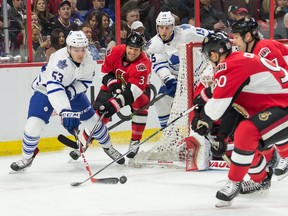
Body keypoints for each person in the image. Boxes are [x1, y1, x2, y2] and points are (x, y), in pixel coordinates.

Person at [191, 32, 288, 207]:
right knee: (244, 138)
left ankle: (234, 182)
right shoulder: (237, 61)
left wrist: (203, 117)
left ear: (214, 55)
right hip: (278, 107)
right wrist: (221, 135)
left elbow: (216, 110)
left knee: (247, 131)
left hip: (283, 108)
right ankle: (260, 180)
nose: (209, 61)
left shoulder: (229, 66)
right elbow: (234, 108)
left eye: (208, 57)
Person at [10, 30, 125, 172]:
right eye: (76, 50)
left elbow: (85, 81)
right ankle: (26, 158)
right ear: (69, 48)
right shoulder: (59, 60)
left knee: (94, 122)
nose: (81, 53)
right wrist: (66, 112)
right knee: (33, 125)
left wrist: (70, 93)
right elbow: (55, 89)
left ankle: (108, 147)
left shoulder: (88, 60)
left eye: (83, 49)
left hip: (71, 92)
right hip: (45, 91)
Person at [231, 17, 288, 182]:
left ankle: (283, 156)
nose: (234, 42)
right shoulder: (252, 51)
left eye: (236, 37)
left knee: (272, 118)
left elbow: (282, 77)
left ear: (248, 36)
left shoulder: (264, 49)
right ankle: (275, 156)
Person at [146, 11, 211, 129]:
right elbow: (161, 66)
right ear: (157, 27)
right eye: (161, 27)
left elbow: (209, 35)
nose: (164, 31)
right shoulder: (154, 45)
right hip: (177, 78)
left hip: (200, 75)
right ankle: (168, 133)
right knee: (161, 101)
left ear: (173, 26)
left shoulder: (186, 32)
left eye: (167, 27)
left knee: (202, 104)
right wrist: (170, 81)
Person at [92, 31, 151, 159]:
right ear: (126, 46)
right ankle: (84, 141)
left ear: (141, 50)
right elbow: (104, 73)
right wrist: (113, 86)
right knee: (98, 113)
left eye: (136, 49)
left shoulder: (143, 65)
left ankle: (135, 140)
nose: (132, 52)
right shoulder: (114, 52)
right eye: (130, 48)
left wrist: (114, 104)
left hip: (137, 90)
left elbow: (131, 94)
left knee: (141, 104)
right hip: (116, 84)